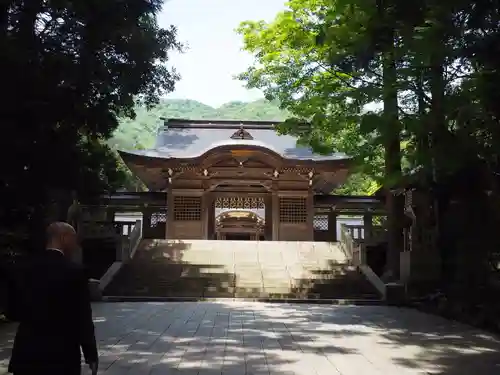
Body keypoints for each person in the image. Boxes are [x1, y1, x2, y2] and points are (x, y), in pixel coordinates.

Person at [6, 222, 98, 375]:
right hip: (62, 355)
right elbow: (82, 319)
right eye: (73, 239)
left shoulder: (23, 269)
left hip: (26, 353)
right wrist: (91, 355)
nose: (75, 245)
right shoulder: (75, 272)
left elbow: (12, 312)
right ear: (64, 238)